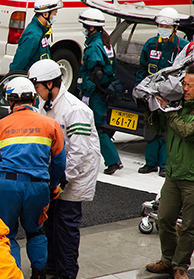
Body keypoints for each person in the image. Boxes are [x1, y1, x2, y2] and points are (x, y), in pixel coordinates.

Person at [28, 59, 101, 279]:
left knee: (66, 225)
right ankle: (52, 263)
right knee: (49, 222)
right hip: (57, 173)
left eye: (38, 86)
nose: (36, 92)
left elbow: (79, 152)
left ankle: (67, 272)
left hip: (75, 175)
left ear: (50, 84)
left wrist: (62, 179)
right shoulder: (45, 105)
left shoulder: (74, 109)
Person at [144, 63, 194, 279]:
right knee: (165, 218)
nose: (184, 89)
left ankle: (180, 266)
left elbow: (187, 132)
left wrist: (170, 111)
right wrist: (152, 108)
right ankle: (167, 259)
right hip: (174, 173)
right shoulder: (179, 106)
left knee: (189, 225)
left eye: (190, 85)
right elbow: (157, 128)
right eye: (183, 84)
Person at [0, 76, 66, 279]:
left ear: (10, 100)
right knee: (35, 231)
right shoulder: (50, 124)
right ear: (33, 99)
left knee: (7, 234)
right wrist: (52, 186)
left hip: (8, 185)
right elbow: (59, 162)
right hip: (38, 186)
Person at [135, 8, 190, 178]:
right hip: (151, 95)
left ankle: (164, 164)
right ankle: (150, 163)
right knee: (151, 128)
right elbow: (142, 69)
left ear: (175, 27)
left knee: (169, 131)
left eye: (166, 25)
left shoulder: (183, 47)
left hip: (171, 97)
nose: (163, 28)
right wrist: (140, 90)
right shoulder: (150, 44)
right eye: (160, 25)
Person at [77, 8, 123, 175]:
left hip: (95, 94)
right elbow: (112, 68)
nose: (83, 28)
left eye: (84, 26)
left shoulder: (94, 46)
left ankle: (113, 161)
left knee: (95, 128)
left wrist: (86, 93)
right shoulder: (105, 43)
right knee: (95, 127)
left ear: (91, 28)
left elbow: (94, 74)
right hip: (102, 92)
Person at [8, 0, 62, 72]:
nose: (55, 17)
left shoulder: (42, 31)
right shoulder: (33, 36)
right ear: (45, 14)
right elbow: (20, 61)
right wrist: (12, 77)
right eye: (54, 14)